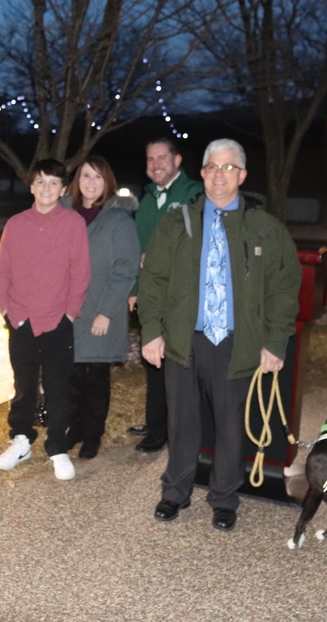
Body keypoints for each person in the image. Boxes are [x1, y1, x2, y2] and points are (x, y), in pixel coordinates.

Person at [138, 138, 300, 531]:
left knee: (231, 426)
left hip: (234, 341)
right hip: (183, 341)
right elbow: (153, 280)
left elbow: (283, 287)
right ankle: (175, 491)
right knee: (181, 422)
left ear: (242, 175)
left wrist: (275, 340)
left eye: (228, 167)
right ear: (203, 173)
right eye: (212, 167)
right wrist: (152, 332)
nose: (219, 175)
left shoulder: (264, 228)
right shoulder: (178, 223)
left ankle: (225, 498)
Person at [0, 159, 90, 481]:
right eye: (40, 182)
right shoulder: (16, 224)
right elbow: (2, 270)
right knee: (23, 385)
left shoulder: (72, 224)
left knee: (58, 386)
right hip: (21, 318)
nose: (46, 188)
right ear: (31, 186)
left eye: (53, 183)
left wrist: (70, 313)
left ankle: (57, 447)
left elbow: (80, 272)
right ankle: (21, 439)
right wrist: (6, 309)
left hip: (57, 320)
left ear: (62, 189)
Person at [128, 137, 203, 453]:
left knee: (181, 364)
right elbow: (137, 249)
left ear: (177, 160)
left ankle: (177, 429)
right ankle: (157, 424)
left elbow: (198, 240)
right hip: (151, 296)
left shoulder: (193, 194)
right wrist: (134, 290)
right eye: (149, 159)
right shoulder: (146, 200)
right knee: (153, 361)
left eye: (161, 158)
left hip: (183, 296)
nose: (155, 164)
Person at [63, 157, 140, 460]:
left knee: (95, 376)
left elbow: (125, 268)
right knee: (71, 375)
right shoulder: (63, 213)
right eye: (85, 176)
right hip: (67, 310)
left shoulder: (118, 219)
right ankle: (75, 428)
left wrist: (106, 312)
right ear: (77, 180)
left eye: (97, 177)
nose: (91, 182)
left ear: (106, 182)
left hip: (99, 309)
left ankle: (94, 433)